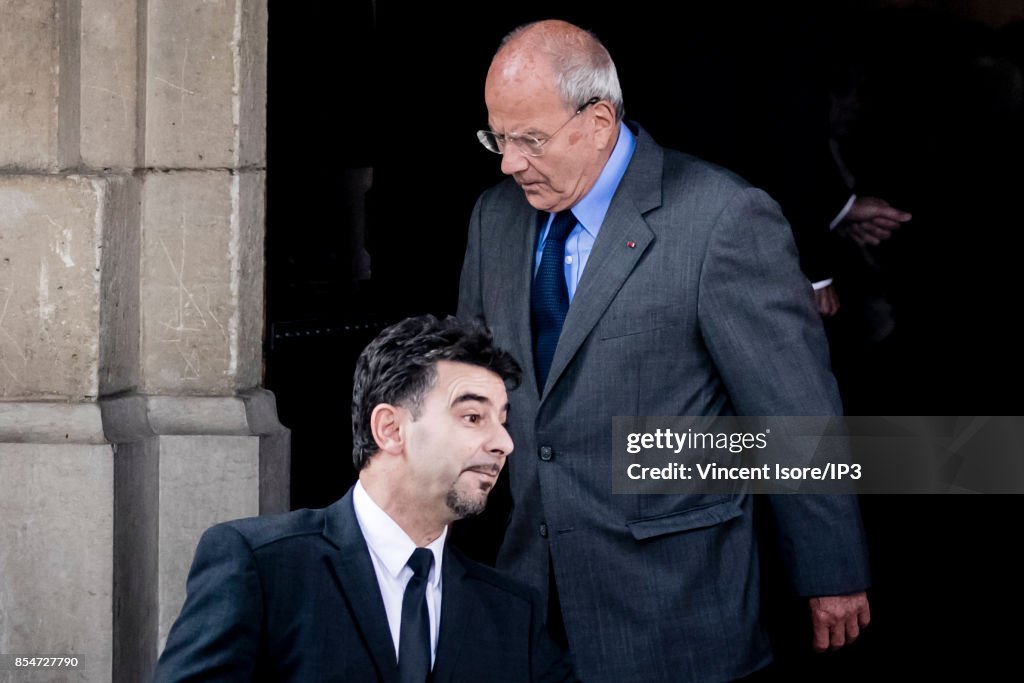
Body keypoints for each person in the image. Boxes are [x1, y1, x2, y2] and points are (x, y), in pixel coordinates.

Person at [458, 20, 870, 683]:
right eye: (496, 139)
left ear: (597, 122)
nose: (509, 162)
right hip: (529, 594)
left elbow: (794, 413)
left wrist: (833, 570)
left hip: (674, 599)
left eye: (529, 140)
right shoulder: (495, 217)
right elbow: (470, 384)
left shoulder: (722, 219)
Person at [153, 315, 573, 682]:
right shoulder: (260, 566)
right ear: (389, 429)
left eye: (503, 421)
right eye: (473, 417)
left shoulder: (514, 612)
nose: (504, 442)